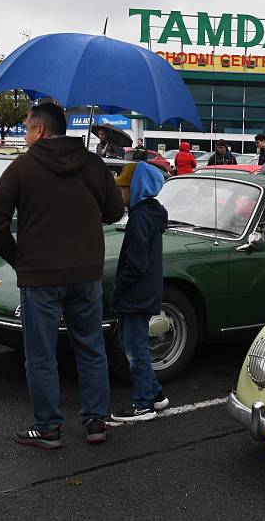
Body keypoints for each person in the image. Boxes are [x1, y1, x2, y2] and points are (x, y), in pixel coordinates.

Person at [0, 102, 125, 448]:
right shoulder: (92, 163)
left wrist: (17, 258)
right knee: (91, 349)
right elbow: (115, 212)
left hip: (40, 277)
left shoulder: (24, 166)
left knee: (41, 354)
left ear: (41, 130)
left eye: (27, 128)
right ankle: (95, 422)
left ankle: (47, 427)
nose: (26, 135)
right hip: (86, 273)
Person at [110, 162, 170, 422]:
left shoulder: (139, 218)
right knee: (131, 344)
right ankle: (155, 394)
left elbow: (136, 264)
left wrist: (120, 286)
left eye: (123, 188)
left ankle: (143, 403)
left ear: (135, 189)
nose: (120, 193)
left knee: (135, 349)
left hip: (135, 295)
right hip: (145, 293)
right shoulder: (150, 214)